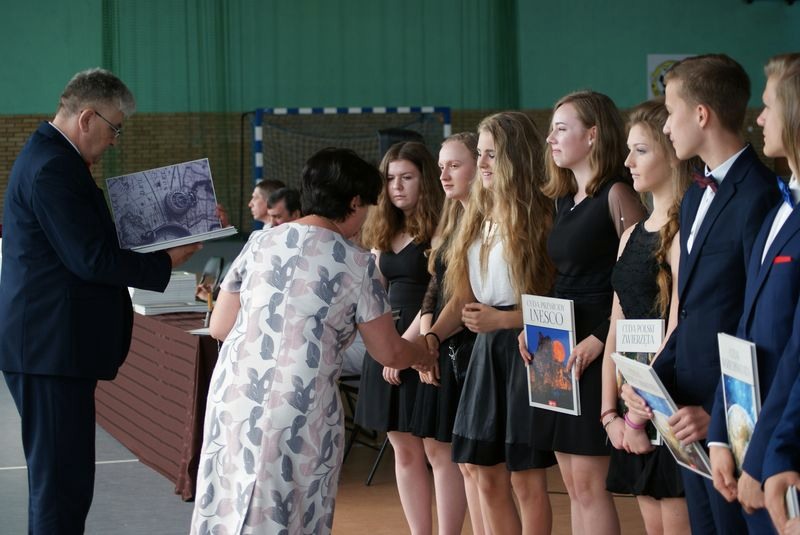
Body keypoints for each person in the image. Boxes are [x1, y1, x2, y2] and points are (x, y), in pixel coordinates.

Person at [189, 147, 434, 534]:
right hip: (300, 404)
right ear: (354, 202)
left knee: (230, 505)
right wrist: (422, 353)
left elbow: (220, 326)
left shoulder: (260, 243)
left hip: (235, 396)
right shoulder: (355, 263)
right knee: (289, 513)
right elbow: (388, 350)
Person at [0, 68, 199, 534]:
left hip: (51, 347)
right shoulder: (52, 167)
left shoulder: (54, 159)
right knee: (60, 488)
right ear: (87, 117)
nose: (114, 140)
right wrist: (168, 258)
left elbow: (90, 244)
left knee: (65, 483)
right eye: (114, 128)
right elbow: (90, 259)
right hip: (49, 349)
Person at [624, 54, 779, 535]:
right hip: (685, 411)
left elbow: (757, 320)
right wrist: (652, 381)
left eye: (671, 113)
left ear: (701, 114)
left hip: (728, 414)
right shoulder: (694, 194)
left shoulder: (758, 195)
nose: (667, 126)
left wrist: (719, 414)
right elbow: (689, 309)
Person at [518, 90, 644, 535]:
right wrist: (533, 328)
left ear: (592, 135)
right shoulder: (563, 200)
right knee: (573, 484)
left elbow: (640, 282)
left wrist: (602, 338)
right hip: (560, 350)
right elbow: (562, 280)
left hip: (597, 346)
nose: (550, 138)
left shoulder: (617, 194)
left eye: (561, 129)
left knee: (591, 486)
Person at [427, 112, 556, 535]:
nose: (482, 163)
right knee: (482, 471)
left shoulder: (540, 217)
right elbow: (463, 298)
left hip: (527, 347)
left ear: (515, 158)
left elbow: (558, 305)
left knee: (526, 478)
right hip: (486, 349)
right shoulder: (476, 218)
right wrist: (431, 337)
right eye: (479, 154)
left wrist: (503, 318)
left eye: (491, 155)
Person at [600, 99, 692, 535]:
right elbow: (615, 332)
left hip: (667, 404)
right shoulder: (632, 235)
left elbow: (677, 329)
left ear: (672, 154)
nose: (627, 162)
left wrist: (638, 415)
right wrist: (610, 415)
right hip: (631, 405)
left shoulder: (684, 232)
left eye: (640, 151)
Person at [354, 141, 444, 534]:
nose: (397, 186)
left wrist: (402, 348)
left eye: (407, 177)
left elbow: (438, 293)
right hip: (388, 334)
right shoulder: (383, 227)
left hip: (426, 334)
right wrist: (383, 345)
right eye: (391, 178)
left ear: (425, 180)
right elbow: (375, 289)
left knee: (437, 451)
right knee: (403, 450)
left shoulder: (441, 226)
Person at [729, 53, 800, 534]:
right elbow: (744, 325)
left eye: (769, 105)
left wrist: (770, 454)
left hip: (781, 447)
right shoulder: (780, 206)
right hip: (753, 433)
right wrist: (724, 434)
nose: (759, 119)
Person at [411, 133, 478, 534]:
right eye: (441, 167)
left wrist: (430, 342)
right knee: (435, 447)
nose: (444, 175)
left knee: (470, 459)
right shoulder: (452, 218)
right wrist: (427, 337)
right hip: (439, 338)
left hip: (466, 340)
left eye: (454, 165)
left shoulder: (484, 221)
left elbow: (463, 296)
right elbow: (434, 288)